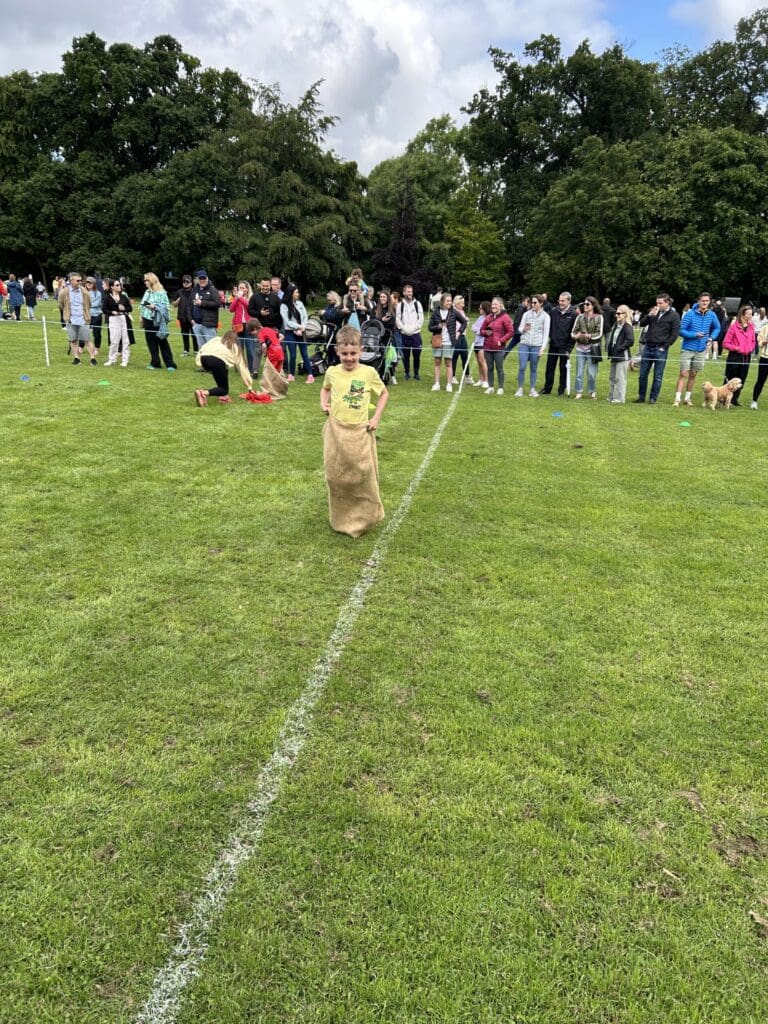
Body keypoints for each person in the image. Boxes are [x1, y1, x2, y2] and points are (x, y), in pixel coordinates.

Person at [320, 324, 388, 537]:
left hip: (360, 433)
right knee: (335, 476)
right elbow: (325, 389)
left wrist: (375, 418)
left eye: (353, 354)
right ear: (337, 352)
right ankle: (342, 518)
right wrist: (324, 403)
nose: (349, 358)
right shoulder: (332, 372)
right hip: (337, 432)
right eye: (344, 354)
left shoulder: (368, 373)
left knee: (362, 476)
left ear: (361, 350)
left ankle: (365, 515)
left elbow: (384, 394)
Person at [674, 292, 720, 407]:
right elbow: (681, 330)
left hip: (701, 350)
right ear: (698, 301)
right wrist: (694, 335)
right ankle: (677, 399)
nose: (704, 303)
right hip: (688, 348)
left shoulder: (712, 315)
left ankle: (687, 398)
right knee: (683, 373)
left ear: (709, 302)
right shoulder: (690, 314)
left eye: (707, 301)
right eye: (702, 301)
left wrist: (711, 338)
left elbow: (717, 327)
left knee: (693, 374)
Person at [634, 293, 681, 404]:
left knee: (658, 376)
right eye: (657, 303)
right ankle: (641, 397)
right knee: (642, 374)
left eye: (660, 303)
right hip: (648, 347)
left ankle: (653, 398)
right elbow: (642, 324)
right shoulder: (654, 312)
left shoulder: (674, 316)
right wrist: (649, 315)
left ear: (667, 303)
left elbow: (674, 334)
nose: (658, 305)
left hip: (660, 349)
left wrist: (664, 347)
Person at [194, 329, 255, 406]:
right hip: (217, 361)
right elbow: (242, 368)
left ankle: (223, 396)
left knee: (224, 371)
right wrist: (249, 387)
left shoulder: (216, 339)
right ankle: (203, 393)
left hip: (204, 359)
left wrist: (200, 363)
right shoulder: (234, 346)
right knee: (224, 390)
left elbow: (203, 348)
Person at [542, 292, 577, 396]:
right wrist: (551, 338)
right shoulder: (554, 311)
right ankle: (547, 389)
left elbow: (574, 332)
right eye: (559, 300)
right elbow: (549, 327)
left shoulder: (574, 314)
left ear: (569, 301)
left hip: (565, 346)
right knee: (549, 368)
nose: (560, 303)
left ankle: (561, 390)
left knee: (563, 369)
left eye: (563, 301)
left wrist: (569, 348)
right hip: (553, 344)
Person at [59, 272, 98, 365]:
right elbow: (60, 304)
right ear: (71, 281)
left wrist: (85, 315)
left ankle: (92, 358)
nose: (80, 282)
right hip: (70, 320)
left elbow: (89, 304)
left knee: (87, 340)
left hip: (83, 320)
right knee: (73, 340)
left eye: (80, 280)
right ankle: (76, 358)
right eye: (78, 280)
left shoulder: (84, 291)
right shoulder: (64, 292)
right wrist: (67, 313)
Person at [140, 272, 176, 371]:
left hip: (158, 320)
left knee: (162, 341)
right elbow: (142, 305)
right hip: (147, 320)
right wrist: (141, 317)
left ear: (152, 280)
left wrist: (154, 307)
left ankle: (170, 364)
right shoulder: (147, 292)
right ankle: (155, 362)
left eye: (146, 280)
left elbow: (166, 307)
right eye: (144, 280)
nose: (145, 282)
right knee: (151, 342)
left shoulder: (161, 292)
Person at [515, 294, 550, 397]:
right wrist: (523, 329)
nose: (533, 304)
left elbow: (546, 334)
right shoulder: (526, 314)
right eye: (532, 302)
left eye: (535, 302)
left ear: (541, 303)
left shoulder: (546, 316)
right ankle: (520, 388)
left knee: (533, 368)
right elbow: (519, 328)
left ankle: (532, 389)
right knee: (522, 367)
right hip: (524, 344)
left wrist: (542, 348)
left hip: (536, 345)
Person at [721, 304, 755, 407]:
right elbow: (725, 343)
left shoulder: (751, 327)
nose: (750, 316)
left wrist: (750, 348)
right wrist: (736, 348)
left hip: (746, 357)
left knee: (742, 379)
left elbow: (753, 341)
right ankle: (724, 398)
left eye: (751, 314)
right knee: (730, 378)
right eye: (748, 314)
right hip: (734, 356)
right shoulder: (734, 327)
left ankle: (734, 399)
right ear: (742, 314)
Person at [571, 297, 604, 399]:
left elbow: (600, 334)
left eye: (587, 304)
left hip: (593, 349)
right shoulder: (579, 317)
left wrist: (589, 336)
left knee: (591, 373)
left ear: (593, 305)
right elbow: (573, 332)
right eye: (584, 304)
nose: (585, 306)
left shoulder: (599, 317)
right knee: (579, 372)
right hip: (580, 348)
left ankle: (592, 391)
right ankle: (579, 391)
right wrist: (575, 336)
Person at [480, 297, 514, 395]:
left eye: (495, 304)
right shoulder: (488, 317)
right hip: (487, 348)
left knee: (499, 368)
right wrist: (485, 332)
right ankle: (490, 387)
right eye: (492, 304)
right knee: (490, 368)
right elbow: (481, 330)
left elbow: (511, 332)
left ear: (500, 305)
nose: (493, 306)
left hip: (499, 348)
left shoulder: (505, 317)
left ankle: (500, 388)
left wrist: (501, 341)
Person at [280, 284, 313, 383]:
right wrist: (297, 327)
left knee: (304, 353)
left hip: (301, 331)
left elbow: (305, 317)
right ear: (291, 294)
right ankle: (291, 375)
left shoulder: (300, 304)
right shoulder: (284, 306)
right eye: (296, 292)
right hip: (290, 333)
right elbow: (287, 322)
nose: (298, 294)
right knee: (293, 354)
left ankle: (310, 375)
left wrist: (302, 328)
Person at [428, 292, 458, 392]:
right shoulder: (436, 312)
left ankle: (449, 384)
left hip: (449, 342)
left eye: (450, 301)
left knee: (448, 363)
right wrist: (438, 326)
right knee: (437, 362)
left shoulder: (453, 312)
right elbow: (429, 327)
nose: (450, 302)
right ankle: (436, 383)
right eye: (447, 301)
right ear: (442, 302)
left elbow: (464, 322)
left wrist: (459, 332)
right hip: (438, 341)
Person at [605, 304, 634, 403]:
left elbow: (630, 341)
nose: (616, 315)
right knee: (612, 377)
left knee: (620, 378)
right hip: (614, 355)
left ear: (625, 314)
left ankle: (619, 398)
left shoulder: (627, 327)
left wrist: (620, 348)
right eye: (616, 313)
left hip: (622, 356)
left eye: (618, 313)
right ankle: (612, 396)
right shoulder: (616, 325)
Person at [395, 282, 424, 381]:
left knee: (417, 355)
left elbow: (421, 318)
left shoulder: (417, 304)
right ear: (404, 293)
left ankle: (416, 373)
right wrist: (403, 328)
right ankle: (407, 373)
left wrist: (415, 328)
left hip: (415, 334)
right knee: (405, 355)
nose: (410, 293)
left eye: (411, 291)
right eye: (408, 292)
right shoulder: (400, 305)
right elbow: (397, 319)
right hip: (404, 334)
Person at [102, 278, 133, 367]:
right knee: (114, 341)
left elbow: (130, 308)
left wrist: (124, 309)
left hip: (123, 319)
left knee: (125, 340)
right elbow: (104, 309)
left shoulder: (123, 296)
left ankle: (125, 360)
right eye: (117, 285)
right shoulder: (108, 298)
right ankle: (112, 359)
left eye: (119, 285)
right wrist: (112, 312)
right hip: (113, 320)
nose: (119, 286)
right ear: (112, 287)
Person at [191, 270, 222, 352]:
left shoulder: (212, 289)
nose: (202, 280)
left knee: (211, 348)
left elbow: (217, 303)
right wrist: (191, 319)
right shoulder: (194, 290)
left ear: (207, 278)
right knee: (201, 349)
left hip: (209, 324)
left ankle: (213, 360)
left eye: (204, 278)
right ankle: (203, 361)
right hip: (197, 324)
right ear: (197, 279)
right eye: (200, 278)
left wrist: (202, 303)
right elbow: (189, 305)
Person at [230, 281, 256, 371]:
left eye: (243, 288)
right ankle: (240, 367)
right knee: (239, 347)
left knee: (250, 348)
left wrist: (240, 298)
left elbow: (249, 307)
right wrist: (236, 299)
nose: (241, 290)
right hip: (238, 325)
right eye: (239, 288)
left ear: (247, 289)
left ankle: (251, 368)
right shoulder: (237, 299)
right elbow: (231, 309)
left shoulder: (251, 298)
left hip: (249, 326)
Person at [173, 275, 196, 356]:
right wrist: (178, 301)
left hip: (193, 317)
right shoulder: (179, 292)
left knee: (194, 334)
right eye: (184, 281)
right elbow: (174, 304)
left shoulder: (194, 291)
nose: (185, 283)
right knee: (184, 334)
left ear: (191, 283)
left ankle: (196, 350)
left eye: (187, 281)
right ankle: (186, 351)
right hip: (182, 316)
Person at [470, 301, 491, 388]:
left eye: (481, 308)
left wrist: (478, 330)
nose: (479, 309)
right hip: (477, 342)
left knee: (482, 361)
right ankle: (481, 379)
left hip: (483, 342)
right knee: (479, 361)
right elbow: (473, 327)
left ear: (485, 309)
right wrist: (478, 330)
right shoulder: (480, 317)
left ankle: (486, 380)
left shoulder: (489, 318)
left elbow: (485, 331)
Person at [451, 295, 470, 384]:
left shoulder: (462, 312)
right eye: (462, 303)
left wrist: (466, 320)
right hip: (456, 336)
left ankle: (467, 376)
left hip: (463, 336)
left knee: (465, 356)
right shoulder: (453, 312)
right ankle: (452, 376)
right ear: (457, 303)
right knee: (454, 356)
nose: (463, 305)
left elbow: (464, 323)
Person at [750, 321, 768, 409]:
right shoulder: (766, 328)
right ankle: (754, 401)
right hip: (765, 358)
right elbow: (759, 340)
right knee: (760, 380)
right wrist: (763, 342)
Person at [85, 276, 103, 351]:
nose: (88, 284)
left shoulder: (98, 293)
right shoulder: (83, 292)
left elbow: (96, 304)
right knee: (83, 331)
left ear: (94, 284)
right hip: (85, 315)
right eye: (87, 282)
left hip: (96, 315)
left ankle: (97, 348)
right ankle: (81, 347)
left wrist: (86, 304)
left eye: (90, 283)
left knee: (96, 333)